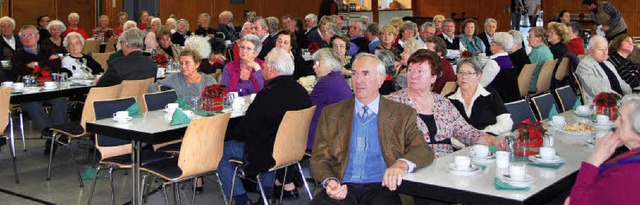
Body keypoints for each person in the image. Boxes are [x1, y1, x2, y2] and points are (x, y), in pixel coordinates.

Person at [310, 53, 434, 205]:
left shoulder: (401, 113)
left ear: (381, 80)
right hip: (341, 184)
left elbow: (422, 149)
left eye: (366, 73)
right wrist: (329, 181)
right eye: (354, 74)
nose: (358, 80)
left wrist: (401, 164)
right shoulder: (331, 113)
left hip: (382, 186)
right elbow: (318, 158)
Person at [219, 48, 312, 205]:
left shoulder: (268, 94)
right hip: (292, 148)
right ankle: (267, 193)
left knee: (220, 151)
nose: (261, 67)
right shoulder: (301, 92)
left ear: (272, 69)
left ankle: (241, 199)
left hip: (268, 151)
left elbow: (247, 129)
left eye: (265, 63)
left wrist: (228, 134)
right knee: (268, 139)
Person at [387, 49, 505, 158]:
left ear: (433, 77)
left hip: (446, 166)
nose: (413, 75)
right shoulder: (393, 103)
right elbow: (389, 145)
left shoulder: (443, 103)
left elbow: (467, 132)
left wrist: (492, 140)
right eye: (411, 70)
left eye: (420, 71)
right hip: (412, 167)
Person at [566, 94, 640, 205]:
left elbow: (576, 203)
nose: (615, 123)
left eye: (622, 120)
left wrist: (593, 161)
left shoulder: (626, 174)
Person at [11, 25, 66, 155]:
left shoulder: (48, 49)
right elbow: (19, 70)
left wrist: (35, 65)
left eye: (30, 35)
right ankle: (51, 134)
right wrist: (46, 63)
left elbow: (57, 66)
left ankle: (53, 135)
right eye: (24, 36)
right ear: (20, 39)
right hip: (29, 93)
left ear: (37, 36)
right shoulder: (17, 55)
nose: (27, 38)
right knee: (32, 105)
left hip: (49, 89)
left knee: (61, 101)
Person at [447, 57, 513, 136]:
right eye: (460, 72)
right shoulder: (449, 100)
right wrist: (463, 142)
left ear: (479, 77)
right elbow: (445, 130)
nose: (464, 76)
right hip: (461, 146)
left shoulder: (490, 95)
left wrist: (480, 136)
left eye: (469, 73)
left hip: (489, 141)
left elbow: (506, 123)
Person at [575, 36, 631, 103]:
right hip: (601, 104)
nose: (605, 53)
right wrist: (619, 98)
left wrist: (630, 95)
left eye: (606, 49)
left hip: (619, 101)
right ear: (591, 51)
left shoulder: (608, 63)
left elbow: (621, 82)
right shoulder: (585, 65)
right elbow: (597, 89)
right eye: (600, 49)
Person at [148, 48, 217, 100]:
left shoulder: (209, 81)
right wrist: (164, 98)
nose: (183, 66)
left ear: (197, 64)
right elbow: (152, 87)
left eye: (187, 63)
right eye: (181, 63)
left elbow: (216, 101)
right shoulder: (175, 78)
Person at [482, 32, 521, 103]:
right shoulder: (508, 60)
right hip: (506, 99)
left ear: (500, 46)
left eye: (493, 41)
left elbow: (481, 84)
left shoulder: (493, 63)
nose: (490, 43)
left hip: (493, 100)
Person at [527, 27, 553, 93]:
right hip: (542, 83)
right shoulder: (545, 49)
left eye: (530, 36)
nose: (527, 39)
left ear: (539, 38)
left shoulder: (537, 52)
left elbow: (525, 70)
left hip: (531, 84)